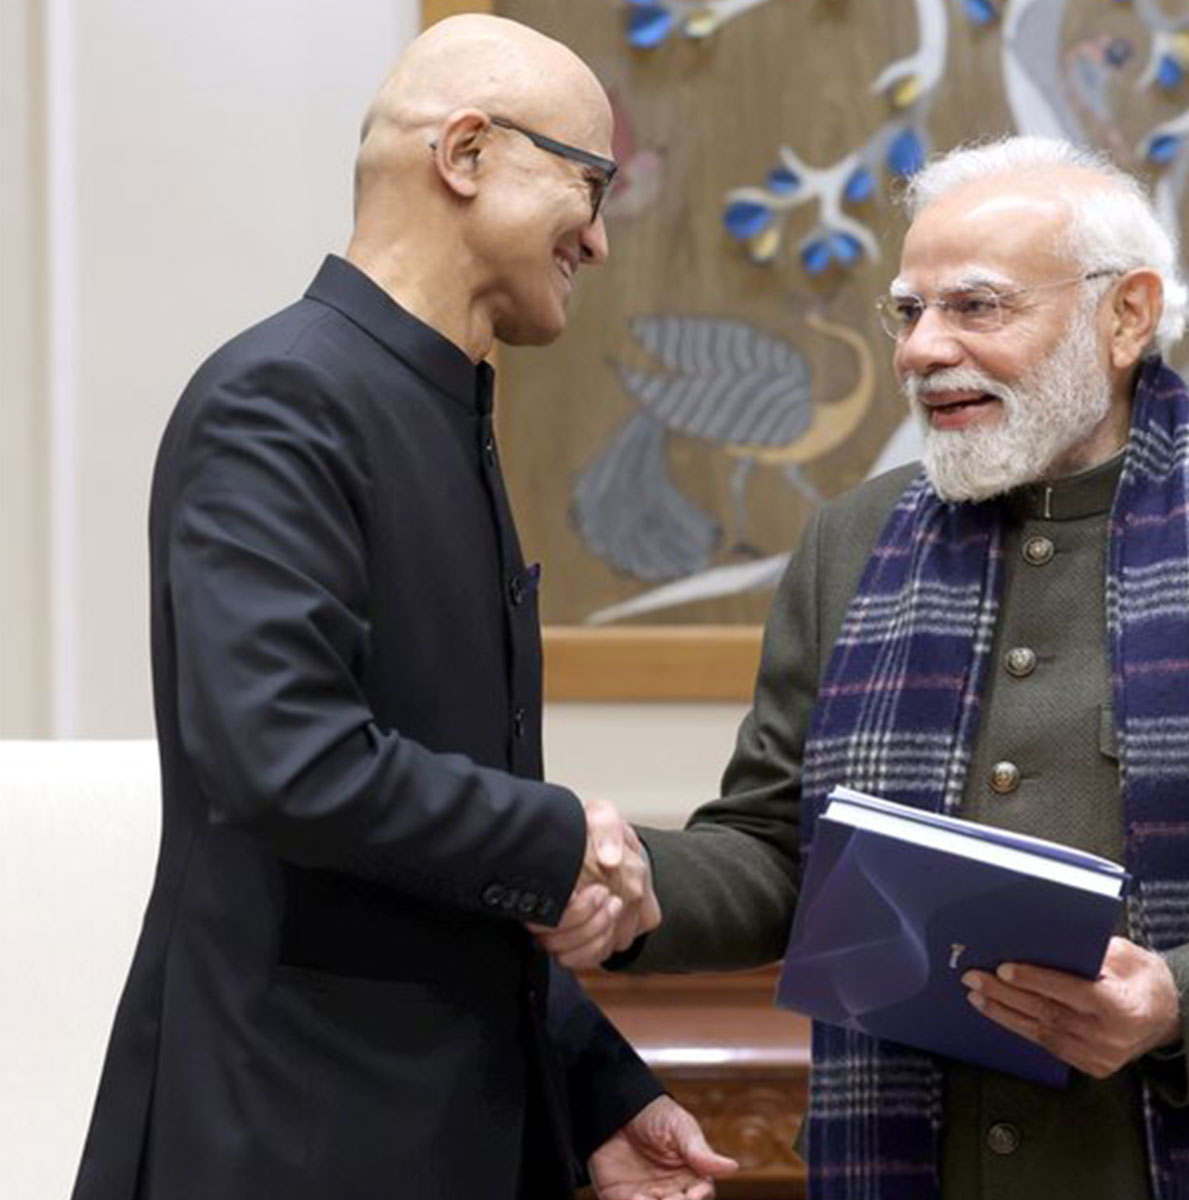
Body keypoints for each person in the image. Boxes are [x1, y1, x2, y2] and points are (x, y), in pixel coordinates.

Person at [585, 136, 1189, 1199]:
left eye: (975, 306)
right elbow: (778, 852)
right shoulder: (851, 543)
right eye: (908, 311)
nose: (922, 350)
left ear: (1126, 316)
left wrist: (1179, 999)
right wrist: (632, 884)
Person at [71, 16, 736, 1200]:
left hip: (435, 1127)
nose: (596, 237)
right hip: (294, 1134)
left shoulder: (445, 410)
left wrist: (595, 1089)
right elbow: (286, 758)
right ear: (467, 154)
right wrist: (562, 837)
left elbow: (434, 835)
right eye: (588, 186)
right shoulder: (284, 397)